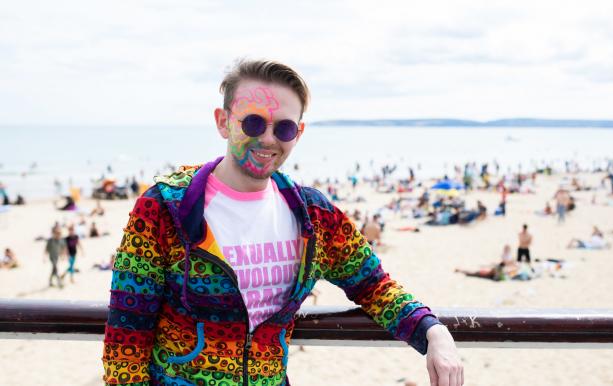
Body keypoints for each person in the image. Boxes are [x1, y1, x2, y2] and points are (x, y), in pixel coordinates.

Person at [101, 59, 462, 386]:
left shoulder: (314, 217)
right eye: (254, 122)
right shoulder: (165, 208)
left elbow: (374, 286)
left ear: (299, 133)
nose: (268, 138)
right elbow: (126, 339)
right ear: (223, 122)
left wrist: (432, 331)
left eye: (284, 128)